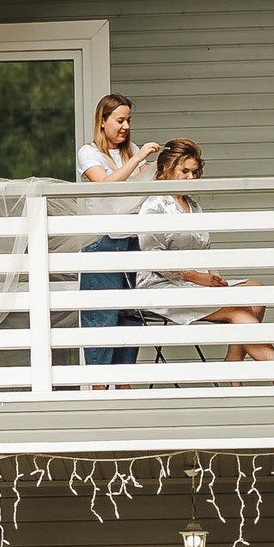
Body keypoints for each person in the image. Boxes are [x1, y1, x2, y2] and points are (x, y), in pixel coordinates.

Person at [133, 140, 274, 383]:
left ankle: (233, 365)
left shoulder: (193, 206)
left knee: (256, 290)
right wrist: (197, 277)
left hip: (198, 283)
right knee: (238, 310)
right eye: (185, 171)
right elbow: (153, 257)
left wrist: (216, 277)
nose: (191, 178)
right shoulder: (154, 205)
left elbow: (205, 249)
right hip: (162, 286)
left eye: (194, 172)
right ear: (166, 169)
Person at [75, 95, 159, 385]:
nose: (126, 127)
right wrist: (138, 159)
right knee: (102, 316)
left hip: (132, 240)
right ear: (103, 121)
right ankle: (99, 388)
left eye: (128, 121)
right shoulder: (88, 153)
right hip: (103, 242)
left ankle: (124, 384)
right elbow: (104, 186)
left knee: (130, 315)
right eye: (120, 120)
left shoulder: (132, 150)